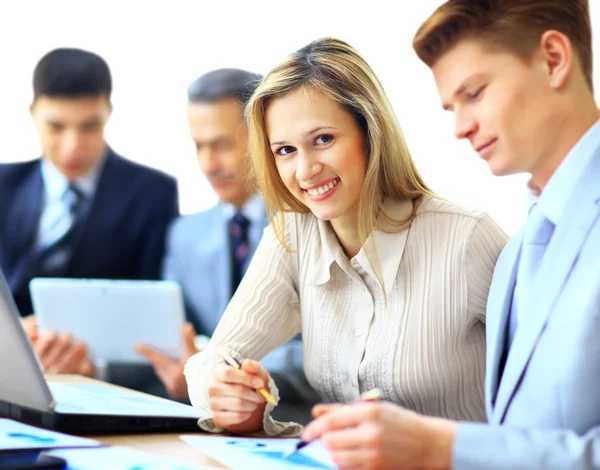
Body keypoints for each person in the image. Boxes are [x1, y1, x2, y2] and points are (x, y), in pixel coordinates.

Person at [301, 1, 600, 469]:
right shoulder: (520, 252)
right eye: (451, 107)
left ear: (554, 59)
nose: (461, 127)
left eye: (475, 92)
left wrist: (442, 448)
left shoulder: (482, 241)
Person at [183, 37, 507, 437]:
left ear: (371, 133)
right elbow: (210, 361)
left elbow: (545, 408)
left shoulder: (467, 240)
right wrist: (226, 392)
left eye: (323, 140)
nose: (305, 170)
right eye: (285, 150)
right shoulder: (294, 235)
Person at [137, 69, 318, 421]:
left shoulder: (314, 222)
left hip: (298, 421)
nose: (208, 164)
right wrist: (190, 372)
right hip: (206, 423)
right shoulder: (183, 235)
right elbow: (176, 336)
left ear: (264, 138)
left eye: (221, 145)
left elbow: (327, 348)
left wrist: (214, 368)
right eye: (198, 146)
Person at [0, 48, 178, 381]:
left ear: (108, 114)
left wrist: (95, 367)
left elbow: (152, 318)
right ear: (32, 114)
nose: (72, 146)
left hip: (94, 378)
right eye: (56, 126)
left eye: (89, 127)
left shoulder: (152, 194)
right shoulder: (3, 186)